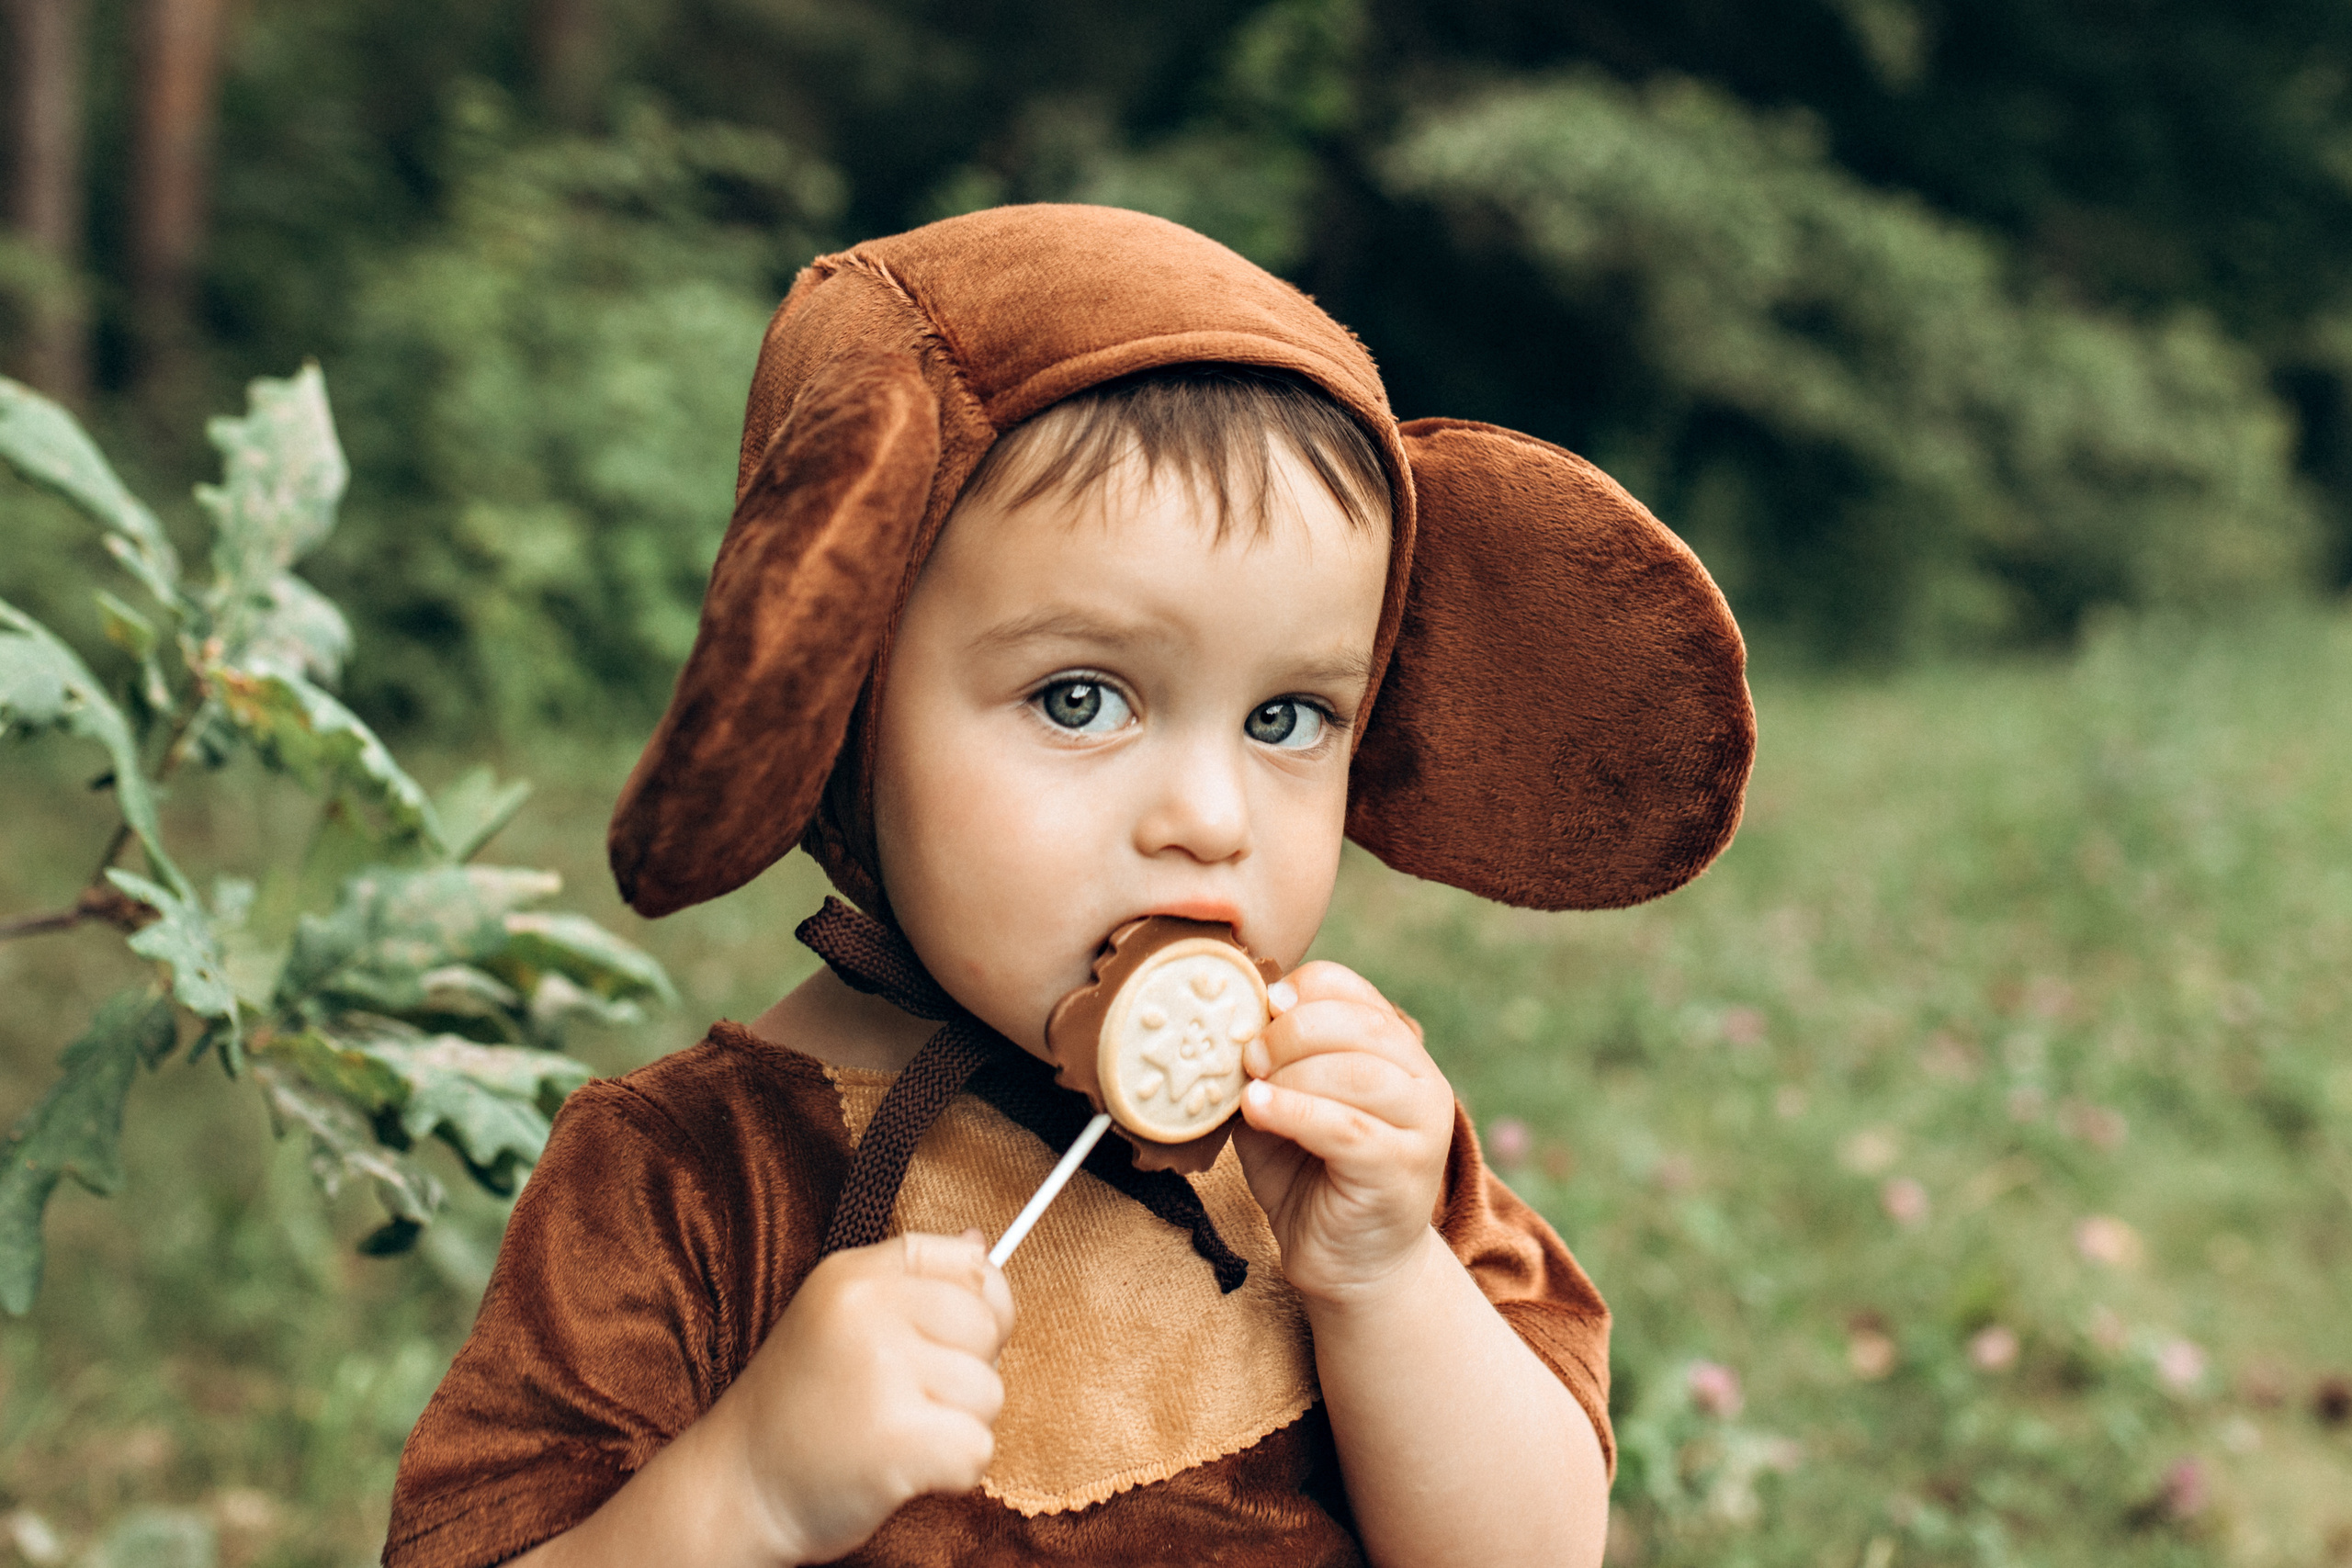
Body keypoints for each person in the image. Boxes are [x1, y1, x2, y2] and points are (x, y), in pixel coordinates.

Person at [382, 205, 1754, 1568]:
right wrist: (740, 1493)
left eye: (1287, 720)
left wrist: (1385, 1281)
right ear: (849, 703)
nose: (1210, 820)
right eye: (1083, 696)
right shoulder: (687, 1181)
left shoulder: (1350, 1146)